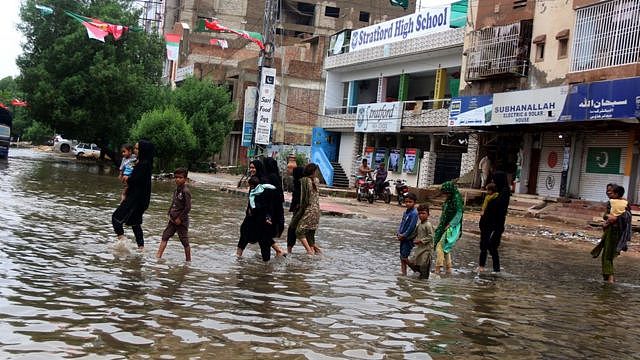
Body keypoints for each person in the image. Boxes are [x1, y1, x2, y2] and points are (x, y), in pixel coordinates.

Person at [112, 140, 154, 251]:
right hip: (138, 199)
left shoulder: (144, 165)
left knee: (116, 218)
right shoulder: (140, 163)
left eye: (136, 148)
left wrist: (127, 180)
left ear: (143, 151)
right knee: (135, 223)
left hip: (136, 199)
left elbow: (135, 181)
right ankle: (141, 249)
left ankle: (123, 244)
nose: (134, 150)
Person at [236, 175, 285, 261]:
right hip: (257, 219)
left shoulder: (263, 188)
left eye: (253, 167)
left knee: (263, 240)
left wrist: (267, 217)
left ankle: (239, 256)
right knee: (253, 236)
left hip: (260, 220)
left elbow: (266, 205)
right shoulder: (263, 187)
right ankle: (239, 256)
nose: (251, 170)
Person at [592, 184, 631, 283]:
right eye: (607, 190)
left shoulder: (624, 203)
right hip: (610, 230)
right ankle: (607, 278)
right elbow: (606, 215)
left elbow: (627, 217)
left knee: (607, 257)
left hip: (615, 232)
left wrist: (615, 218)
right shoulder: (612, 203)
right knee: (606, 255)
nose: (608, 192)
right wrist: (608, 219)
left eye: (611, 191)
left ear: (617, 193)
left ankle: (610, 280)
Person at [156, 168, 192, 262]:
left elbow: (188, 207)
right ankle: (158, 256)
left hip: (181, 221)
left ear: (185, 179)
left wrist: (180, 218)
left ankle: (188, 261)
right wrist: (169, 212)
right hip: (172, 219)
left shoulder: (185, 191)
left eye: (180, 178)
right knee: (165, 236)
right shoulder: (176, 190)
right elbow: (174, 202)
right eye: (176, 177)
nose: (177, 179)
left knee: (184, 241)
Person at [478, 172, 510, 273]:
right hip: (487, 222)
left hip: (497, 223)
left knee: (492, 246)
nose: (493, 182)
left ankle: (496, 269)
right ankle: (481, 266)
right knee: (484, 244)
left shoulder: (504, 192)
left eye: (494, 180)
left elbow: (498, 207)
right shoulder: (493, 193)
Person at [433, 181, 464, 274]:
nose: (445, 195)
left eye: (446, 193)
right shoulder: (450, 198)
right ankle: (449, 269)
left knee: (440, 246)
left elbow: (459, 213)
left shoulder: (456, 199)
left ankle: (438, 269)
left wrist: (450, 224)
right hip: (445, 225)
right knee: (445, 248)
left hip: (452, 227)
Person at [296, 163, 321, 254]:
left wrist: (300, 210)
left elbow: (303, 198)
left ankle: (309, 251)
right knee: (310, 234)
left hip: (309, 210)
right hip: (317, 211)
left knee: (299, 231)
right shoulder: (317, 180)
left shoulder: (304, 181)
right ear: (313, 172)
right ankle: (315, 251)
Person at [407, 204, 434, 278]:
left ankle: (424, 280)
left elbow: (431, 236)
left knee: (424, 266)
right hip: (420, 249)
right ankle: (419, 280)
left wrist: (420, 241)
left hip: (427, 249)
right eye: (419, 213)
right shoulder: (419, 225)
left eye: (423, 213)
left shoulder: (428, 225)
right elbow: (414, 234)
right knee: (414, 262)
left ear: (428, 215)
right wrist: (405, 237)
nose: (421, 215)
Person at [397, 192, 419, 276]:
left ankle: (416, 269)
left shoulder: (414, 213)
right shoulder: (406, 212)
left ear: (414, 202)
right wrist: (399, 233)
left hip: (408, 238)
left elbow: (411, 227)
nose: (408, 204)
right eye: (406, 202)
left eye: (410, 202)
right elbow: (402, 224)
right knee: (401, 257)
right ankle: (404, 273)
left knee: (404, 257)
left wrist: (404, 235)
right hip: (402, 237)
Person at [263, 157, 285, 238]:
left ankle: (278, 250)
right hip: (276, 208)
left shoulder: (270, 177)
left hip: (271, 208)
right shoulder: (276, 176)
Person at [287, 166, 304, 253]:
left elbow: (296, 198)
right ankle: (313, 250)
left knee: (292, 230)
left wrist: (295, 207)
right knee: (301, 231)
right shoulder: (303, 183)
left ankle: (289, 250)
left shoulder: (298, 183)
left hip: (298, 210)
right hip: (302, 210)